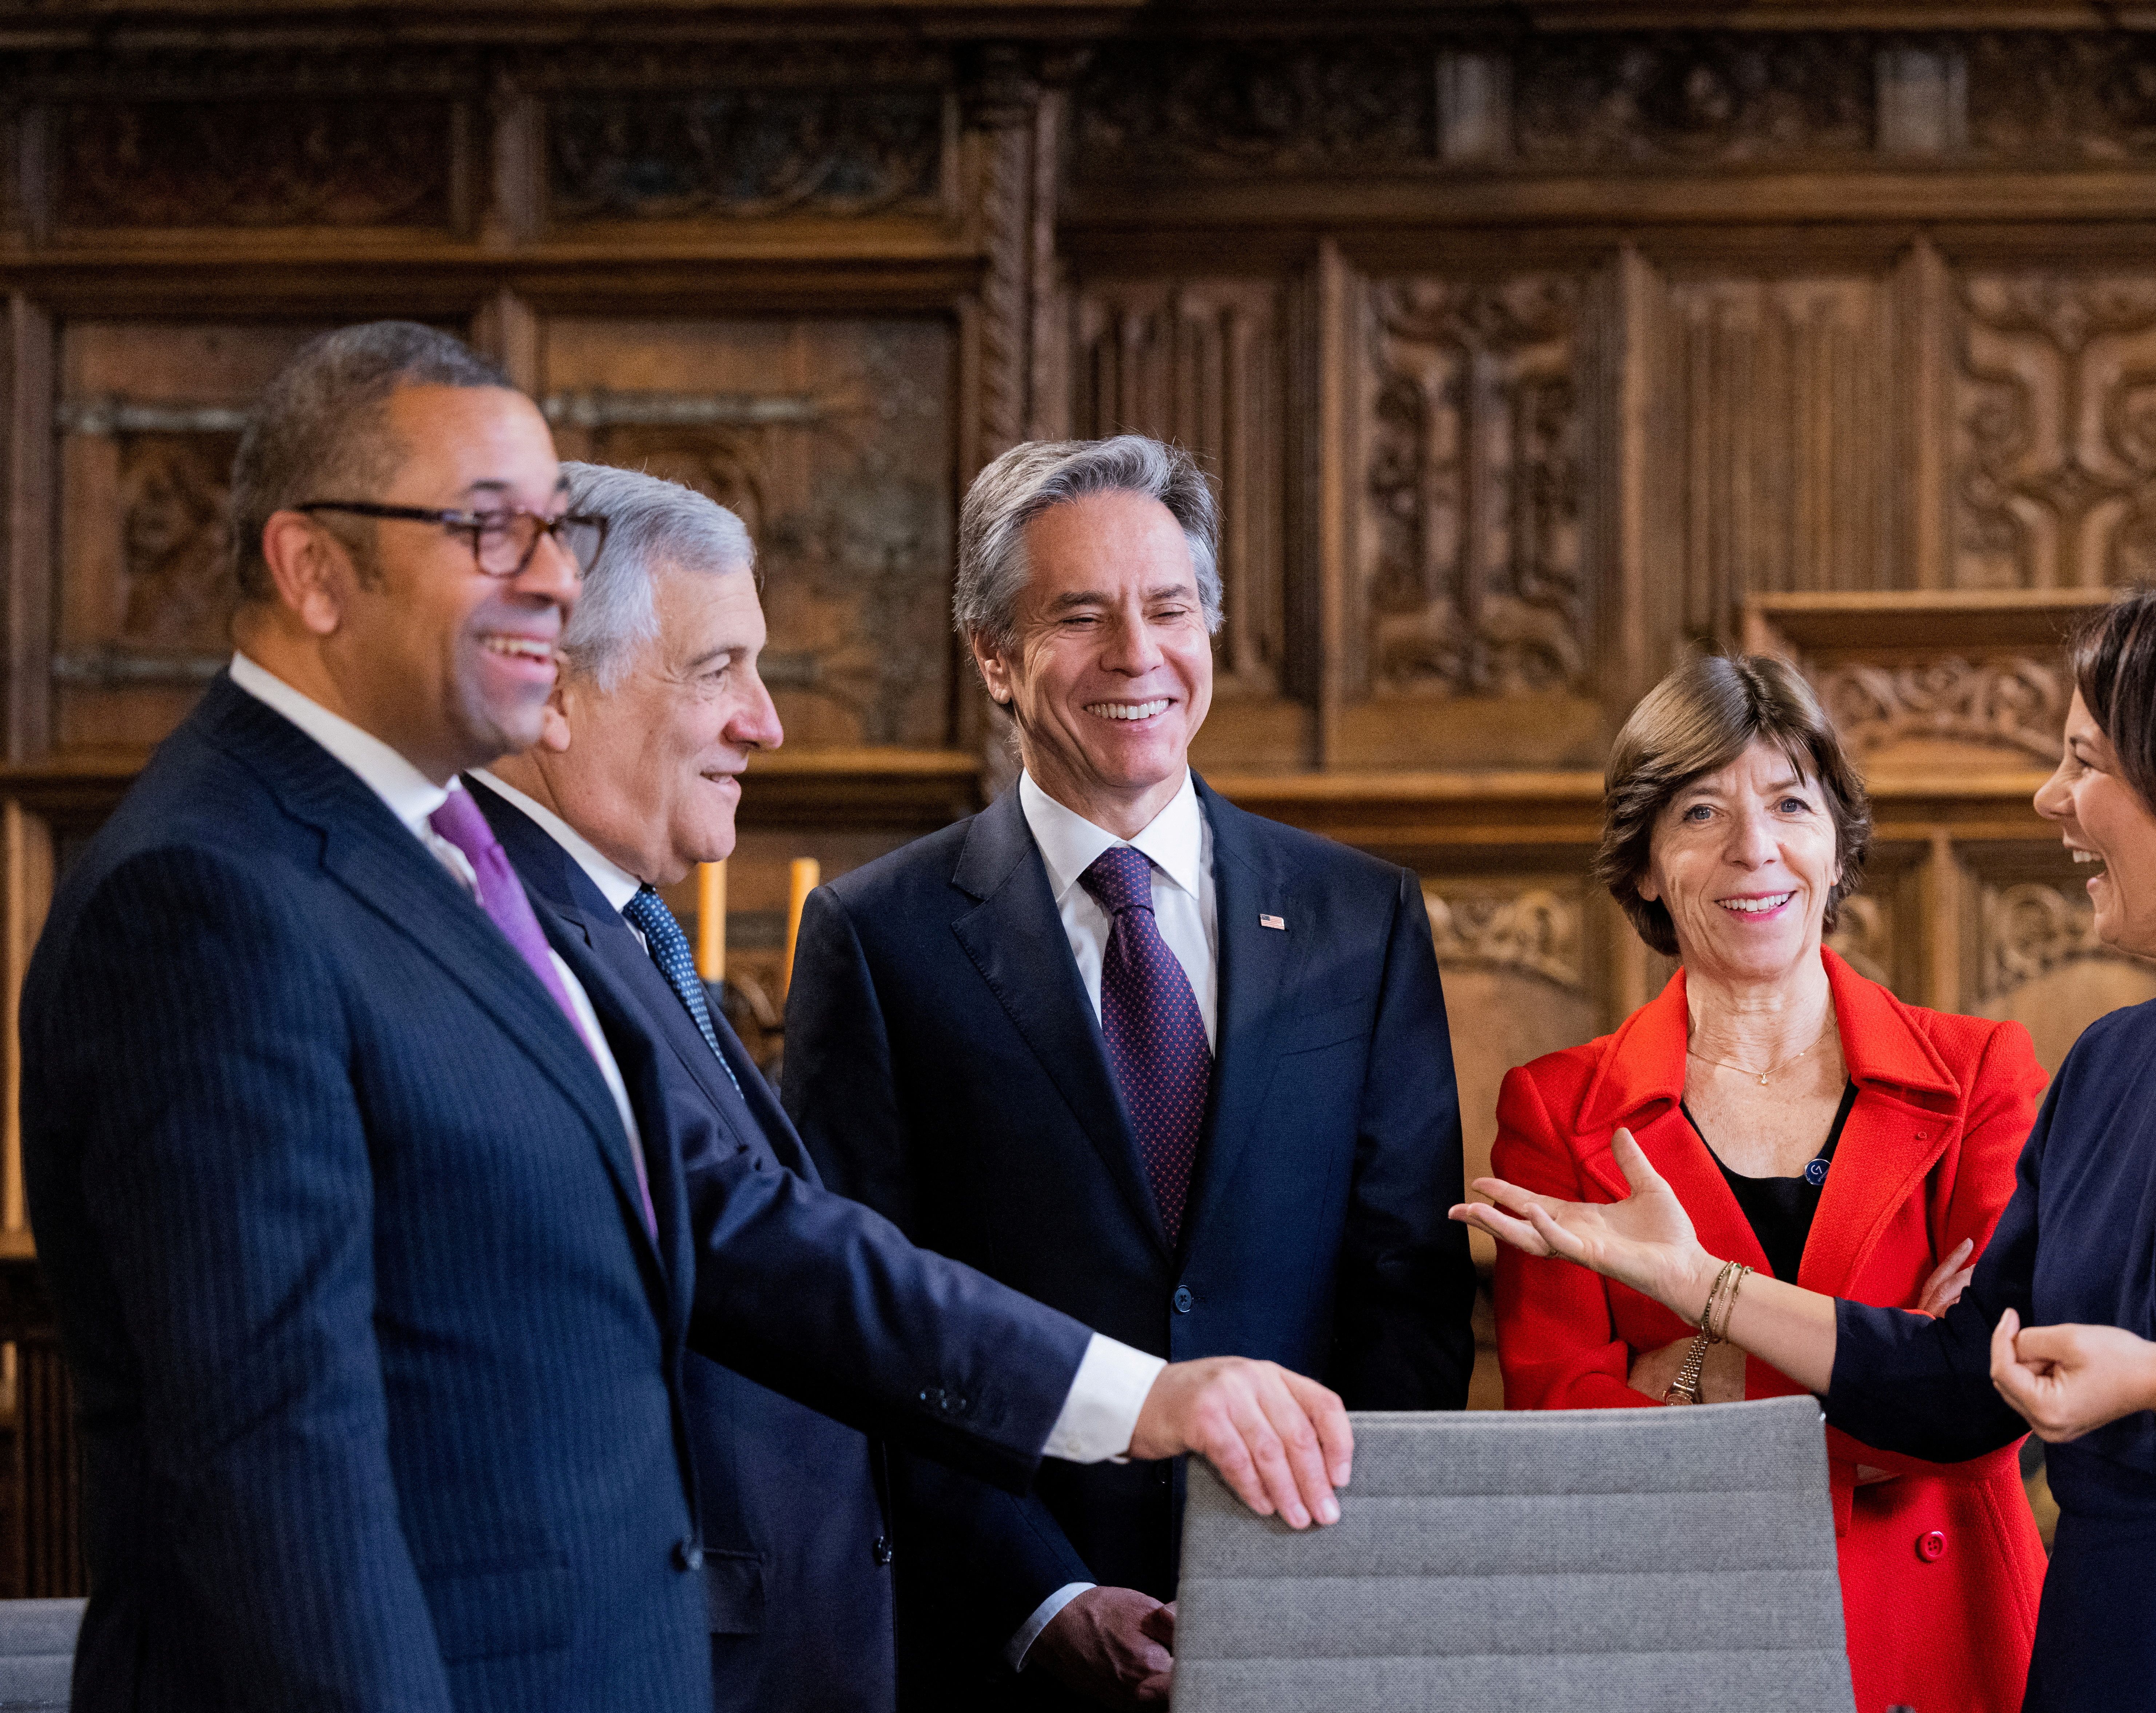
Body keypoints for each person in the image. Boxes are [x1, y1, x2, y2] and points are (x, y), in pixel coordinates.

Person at [19, 325, 1353, 1713]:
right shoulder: (207, 890)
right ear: (312, 568)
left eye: (546, 531)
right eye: (493, 532)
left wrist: (1135, 1397)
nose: (546, 577)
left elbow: (726, 1225)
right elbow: (272, 1470)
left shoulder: (421, 861)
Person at [1458, 579, 2156, 1712]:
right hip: (2096, 1659)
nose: (2049, 798)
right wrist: (1702, 1285)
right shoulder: (2113, 1061)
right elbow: (1960, 1379)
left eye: (2087, 764)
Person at [785, 434, 1478, 1710]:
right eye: (1079, 616)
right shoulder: (875, 936)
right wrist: (1037, 1598)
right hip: (1004, 1642)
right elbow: (857, 1314)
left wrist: (1323, 1562)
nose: (1135, 654)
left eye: (1169, 608)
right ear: (995, 654)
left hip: (1311, 1615)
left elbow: (1407, 1291)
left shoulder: (1357, 916)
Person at [1491, 653, 2045, 1713]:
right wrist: (1890, 1372)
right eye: (1701, 811)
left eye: (1789, 801)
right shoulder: (1555, 1109)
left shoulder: (1980, 1075)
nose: (1754, 849)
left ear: (1834, 843)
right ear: (1646, 863)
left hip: (1946, 1647)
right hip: (1682, 1642)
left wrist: (1691, 1368)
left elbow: (1986, 1405)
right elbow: (1567, 1437)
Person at [465, 461, 896, 1711]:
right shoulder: (513, 944)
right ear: (555, 689)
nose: (765, 721)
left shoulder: (625, 924)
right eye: (718, 669)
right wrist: (1119, 1393)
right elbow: (746, 1240)